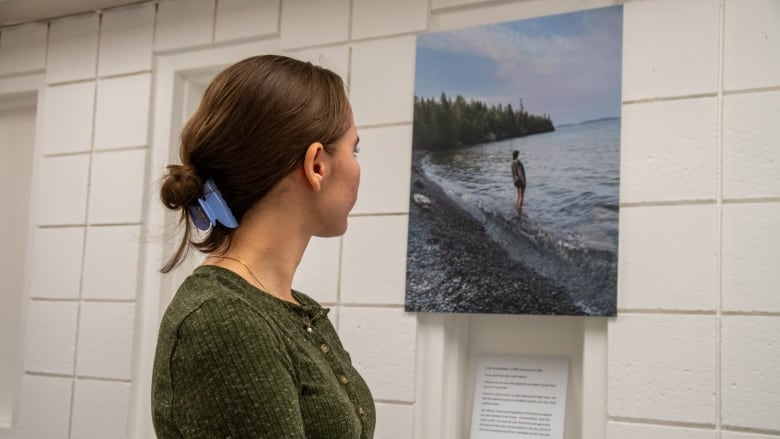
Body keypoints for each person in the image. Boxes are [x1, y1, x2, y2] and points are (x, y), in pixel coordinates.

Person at [151, 55, 375, 438]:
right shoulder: (223, 321)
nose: (357, 166)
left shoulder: (286, 306)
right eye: (354, 149)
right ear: (317, 165)